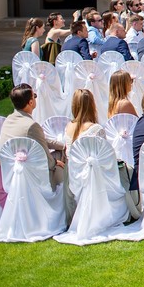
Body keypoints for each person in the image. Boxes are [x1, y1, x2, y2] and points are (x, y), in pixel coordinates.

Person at [2, 84, 66, 188]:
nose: (35, 98)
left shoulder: (8, 120)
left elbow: (40, 139)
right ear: (31, 102)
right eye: (34, 96)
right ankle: (61, 190)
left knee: (61, 149)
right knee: (60, 154)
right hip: (34, 175)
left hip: (11, 173)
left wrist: (62, 145)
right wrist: (56, 160)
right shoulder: (31, 126)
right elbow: (47, 159)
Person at [63, 88, 107, 225]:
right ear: (92, 105)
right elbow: (105, 156)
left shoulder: (68, 126)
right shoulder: (96, 129)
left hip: (72, 174)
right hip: (91, 176)